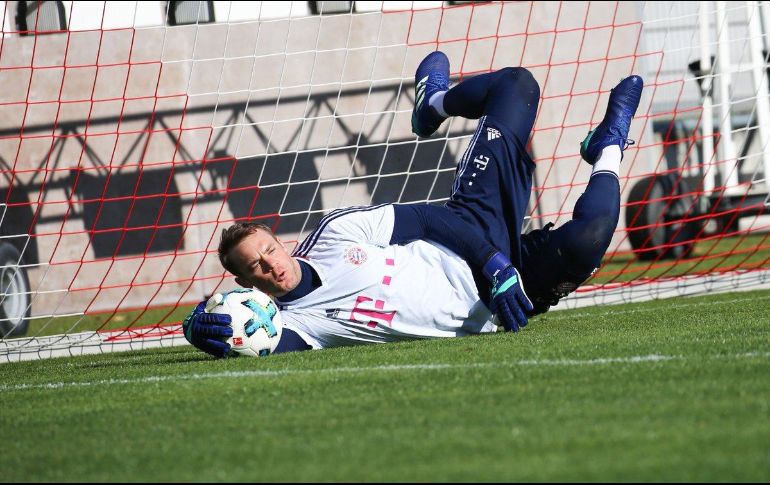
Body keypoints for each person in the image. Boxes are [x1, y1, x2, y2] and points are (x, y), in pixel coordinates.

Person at [183, 51, 644, 357]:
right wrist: (198, 329)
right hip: (494, 306)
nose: (270, 265)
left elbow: (427, 217)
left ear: (279, 243)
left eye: (269, 251)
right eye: (256, 268)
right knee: (593, 235)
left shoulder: (333, 235)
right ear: (245, 281)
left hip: (474, 236)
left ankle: (434, 103)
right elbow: (239, 333)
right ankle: (608, 146)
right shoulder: (296, 324)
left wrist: (494, 262)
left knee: (518, 85)